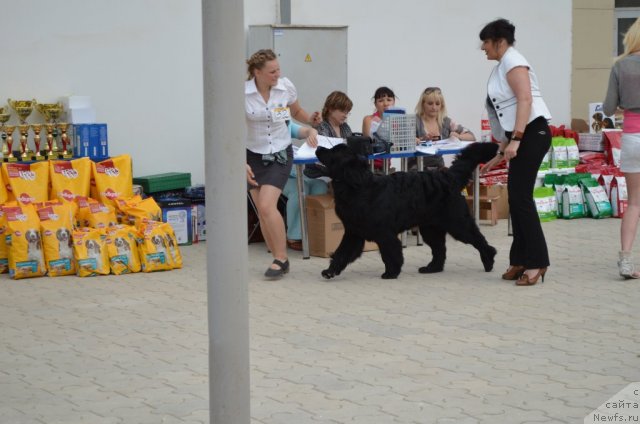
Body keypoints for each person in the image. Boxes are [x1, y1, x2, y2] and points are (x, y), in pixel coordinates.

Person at [478, 18, 552, 286]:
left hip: (533, 133)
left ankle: (537, 262)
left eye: (486, 42)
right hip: (522, 135)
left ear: (499, 41)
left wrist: (517, 140)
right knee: (517, 200)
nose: (483, 47)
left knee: (521, 200)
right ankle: (520, 259)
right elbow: (508, 114)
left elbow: (525, 100)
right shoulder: (502, 65)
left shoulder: (513, 61)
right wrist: (499, 153)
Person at [245, 49, 320, 279]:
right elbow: (232, 130)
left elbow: (295, 111)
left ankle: (281, 258)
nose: (277, 74)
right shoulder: (243, 94)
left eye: (278, 69)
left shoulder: (285, 87)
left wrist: (309, 120)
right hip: (253, 155)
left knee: (268, 206)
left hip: (280, 152)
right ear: (257, 72)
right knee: (262, 211)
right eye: (272, 71)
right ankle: (277, 257)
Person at [603, 17, 640, 279]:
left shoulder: (621, 66)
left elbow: (607, 107)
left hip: (632, 136)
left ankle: (626, 261)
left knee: (635, 202)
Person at [281, 123, 327, 251]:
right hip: (275, 173)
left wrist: (312, 135)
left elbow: (308, 130)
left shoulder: (285, 122)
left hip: (294, 170)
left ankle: (315, 232)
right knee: (300, 189)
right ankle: (294, 235)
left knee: (320, 185)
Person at [414, 86, 476, 169]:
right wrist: (420, 140)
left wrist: (458, 136)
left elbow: (471, 136)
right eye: (430, 103)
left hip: (439, 168)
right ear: (422, 104)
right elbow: (402, 141)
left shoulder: (446, 122)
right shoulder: (414, 121)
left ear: (441, 106)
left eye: (437, 104)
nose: (434, 107)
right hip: (416, 169)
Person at [362, 87, 396, 171]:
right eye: (381, 101)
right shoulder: (369, 119)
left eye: (389, 100)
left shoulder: (395, 121)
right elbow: (369, 144)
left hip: (386, 166)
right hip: (369, 166)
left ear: (394, 102)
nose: (385, 104)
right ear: (375, 104)